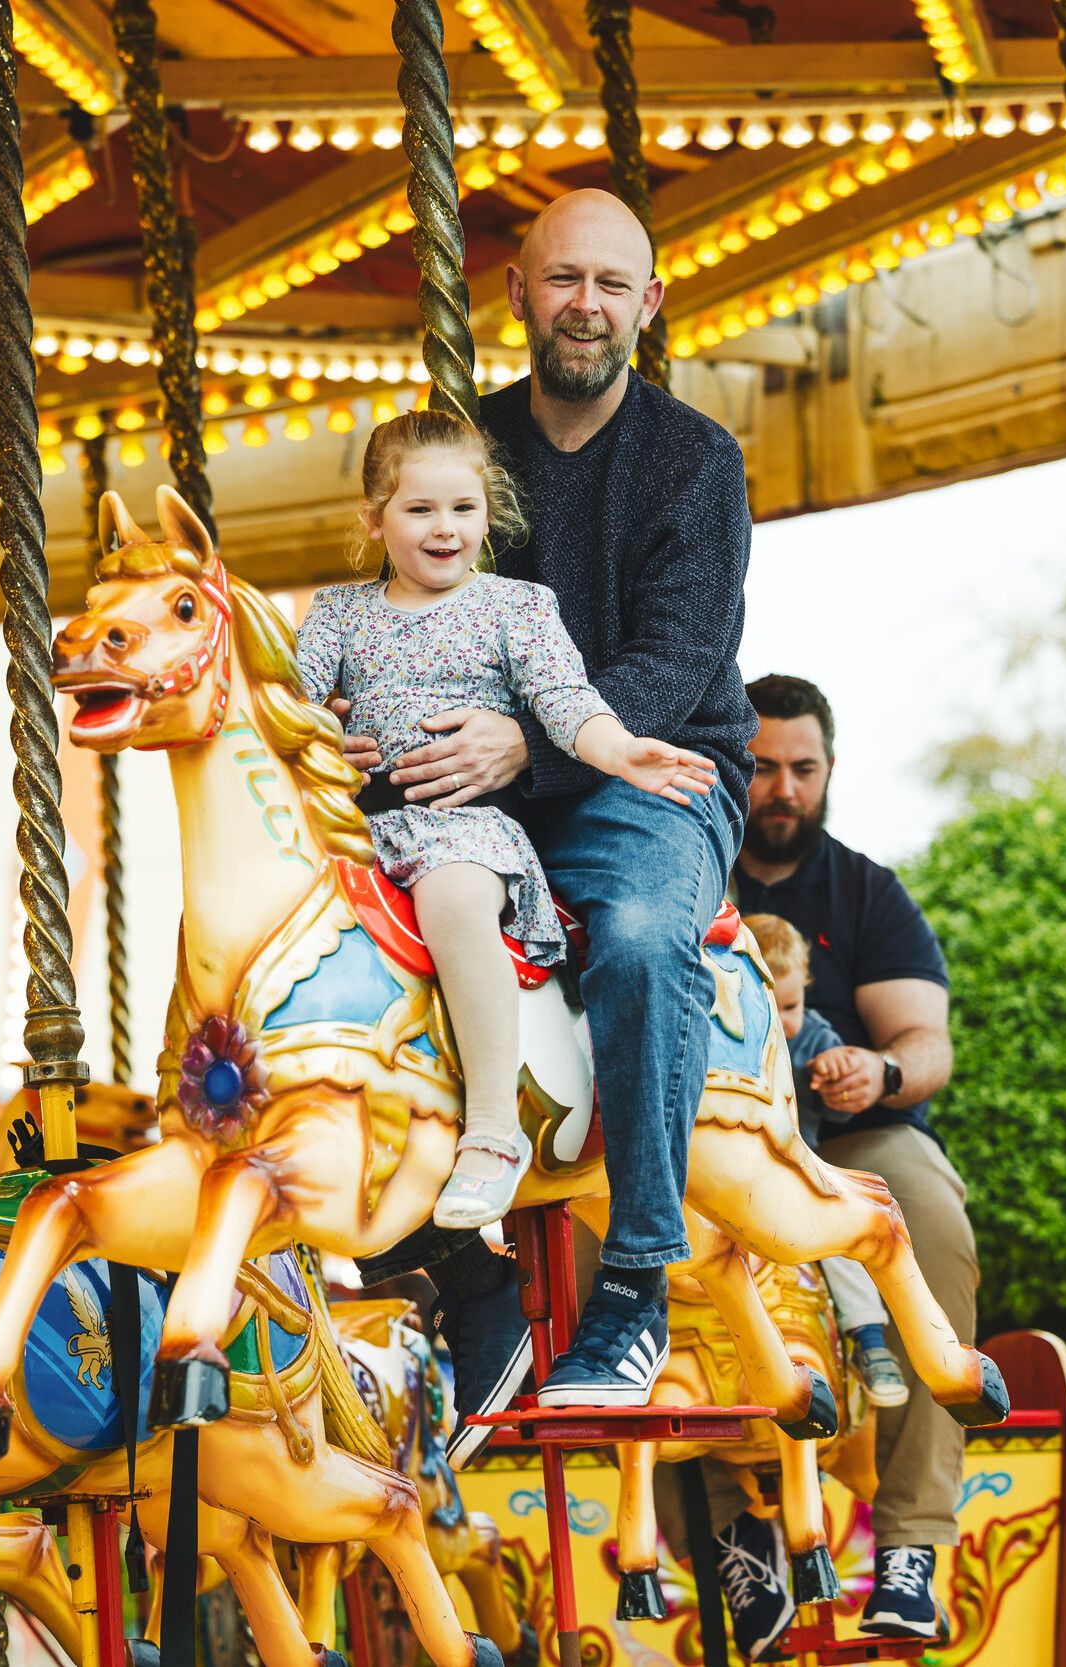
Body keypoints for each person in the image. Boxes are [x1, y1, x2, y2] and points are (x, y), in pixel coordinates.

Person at [342, 187, 755, 1435]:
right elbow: (397, 617)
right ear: (516, 292)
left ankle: (634, 1276)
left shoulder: (695, 462)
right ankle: (466, 1272)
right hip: (475, 790)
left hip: (654, 773)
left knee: (634, 934)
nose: (585, 306)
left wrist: (527, 741)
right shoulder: (465, 458)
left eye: (610, 284)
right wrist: (354, 733)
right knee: (340, 951)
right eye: (562, 279)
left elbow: (679, 658)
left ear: (649, 303)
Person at [298, 409, 720, 1236]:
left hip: (459, 827)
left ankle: (491, 1130)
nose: (443, 528)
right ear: (373, 517)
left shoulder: (516, 607)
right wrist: (322, 740)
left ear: (488, 513)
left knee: (455, 902)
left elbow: (566, 701)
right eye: (418, 509)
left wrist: (621, 749)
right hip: (357, 832)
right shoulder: (338, 615)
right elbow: (288, 702)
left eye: (462, 508)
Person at [732, 674, 975, 1641]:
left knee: (927, 1207)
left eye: (802, 768)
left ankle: (912, 1541)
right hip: (719, 1135)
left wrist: (876, 1071)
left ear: (829, 772)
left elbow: (926, 1041)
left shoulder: (864, 890)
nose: (781, 787)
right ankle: (730, 1536)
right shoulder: (682, 869)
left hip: (848, 1134)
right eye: (759, 767)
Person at [747, 911, 909, 1410]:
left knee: (841, 1231)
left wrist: (833, 1071)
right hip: (732, 1172)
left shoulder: (813, 1037)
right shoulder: (723, 1034)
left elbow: (835, 1080)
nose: (780, 1020)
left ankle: (869, 1338)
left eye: (791, 1005)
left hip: (795, 1166)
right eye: (764, 1006)